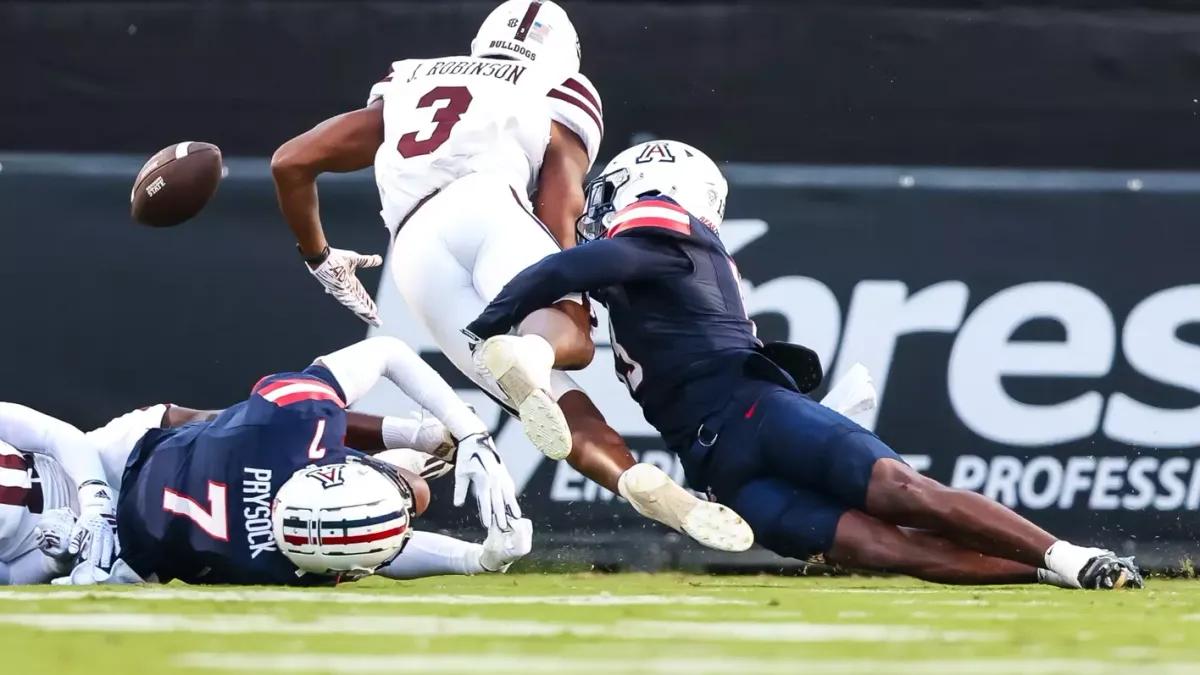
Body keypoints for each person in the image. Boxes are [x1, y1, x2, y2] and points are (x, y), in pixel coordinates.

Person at [464, 139, 1144, 590]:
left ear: (648, 185)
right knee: (885, 549)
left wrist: (491, 319)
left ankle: (1067, 552)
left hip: (755, 412)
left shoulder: (665, 230)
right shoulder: (655, 259)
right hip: (714, 463)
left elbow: (576, 262)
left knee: (908, 495)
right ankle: (1055, 573)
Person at [269, 0, 753, 551]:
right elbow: (562, 197)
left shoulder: (411, 77)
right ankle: (539, 358)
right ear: (564, 54)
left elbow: (291, 161)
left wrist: (319, 256)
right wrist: (570, 286)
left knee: (541, 398)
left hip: (413, 251)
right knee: (568, 343)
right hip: (487, 203)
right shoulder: (558, 89)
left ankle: (631, 480)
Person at [53, 336, 531, 586]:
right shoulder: (279, 567)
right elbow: (376, 553)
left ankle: (416, 446)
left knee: (237, 419)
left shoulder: (291, 425)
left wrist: (457, 430)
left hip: (135, 478)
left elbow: (386, 352)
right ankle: (417, 447)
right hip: (134, 535)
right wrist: (478, 559)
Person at [0, 403, 120, 584]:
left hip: (91, 467)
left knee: (162, 421)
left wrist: (96, 503)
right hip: (85, 549)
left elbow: (54, 434)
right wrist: (57, 561)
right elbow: (10, 576)